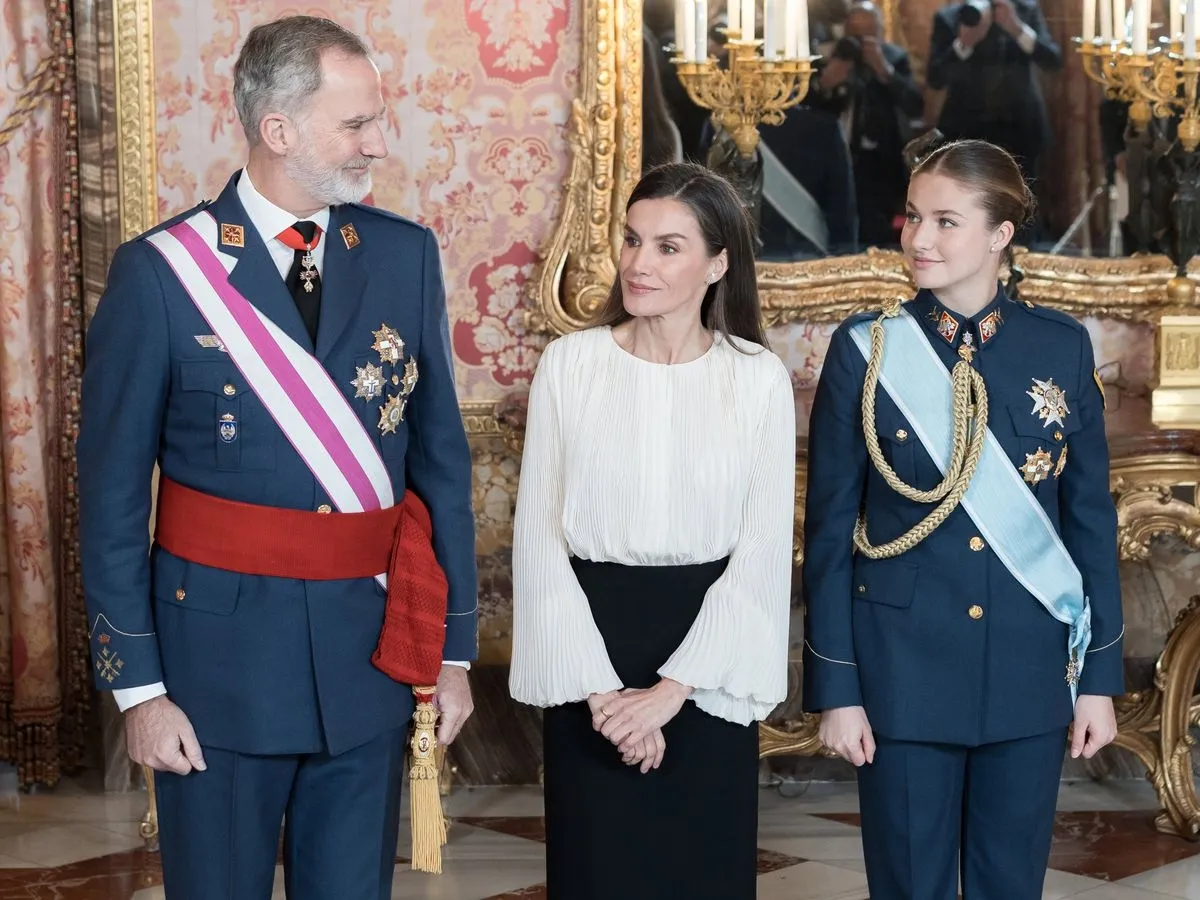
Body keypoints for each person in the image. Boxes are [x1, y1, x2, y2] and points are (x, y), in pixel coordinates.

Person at [78, 16, 477, 899]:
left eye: (377, 120)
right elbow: (109, 502)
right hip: (214, 673)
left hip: (369, 661)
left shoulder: (404, 256)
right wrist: (140, 692)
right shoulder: (161, 274)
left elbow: (441, 468)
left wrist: (451, 653)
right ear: (278, 129)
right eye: (356, 124)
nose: (379, 144)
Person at [802, 139, 1123, 900]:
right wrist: (837, 688)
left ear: (1001, 233)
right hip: (901, 669)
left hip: (1026, 666)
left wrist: (1098, 681)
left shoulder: (1060, 347)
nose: (919, 237)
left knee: (1010, 885)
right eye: (914, 216)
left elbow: (1089, 524)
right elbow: (828, 534)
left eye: (946, 221)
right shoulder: (865, 350)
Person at [509, 162, 795, 899]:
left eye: (669, 247)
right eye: (633, 240)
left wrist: (672, 692)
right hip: (589, 658)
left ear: (718, 264)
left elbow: (762, 551)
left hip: (710, 663)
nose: (639, 263)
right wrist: (604, 698)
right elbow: (538, 539)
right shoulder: (569, 365)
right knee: (598, 872)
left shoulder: (758, 377)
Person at [809, 0, 924, 248]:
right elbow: (808, 108)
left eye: (868, 33)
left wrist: (885, 71)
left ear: (881, 33)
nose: (861, 41)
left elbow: (914, 104)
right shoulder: (830, 58)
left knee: (877, 231)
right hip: (838, 154)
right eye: (855, 34)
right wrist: (826, 84)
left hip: (880, 162)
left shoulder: (894, 58)